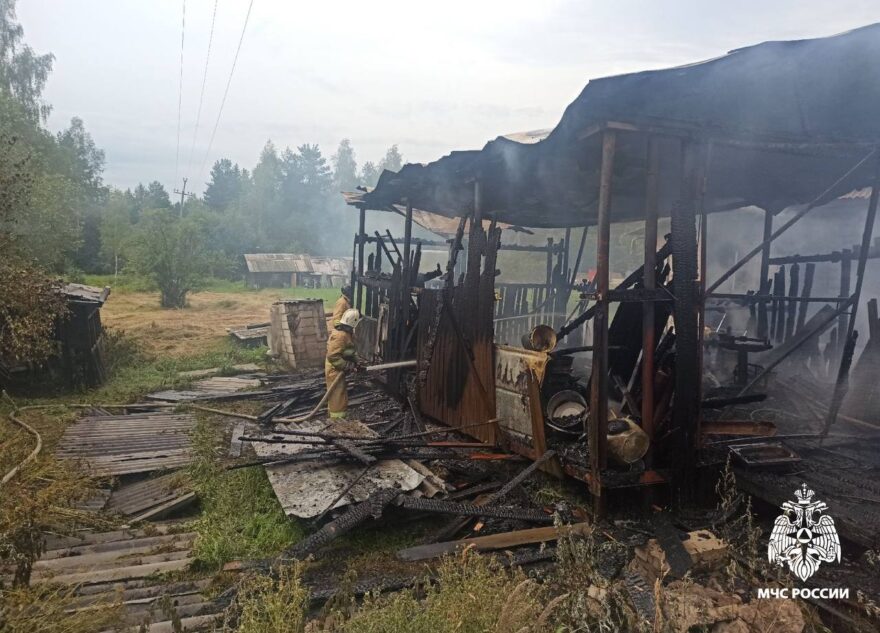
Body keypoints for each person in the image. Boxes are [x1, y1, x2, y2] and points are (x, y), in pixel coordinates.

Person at [325, 308, 364, 418]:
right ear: (353, 322)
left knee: (339, 393)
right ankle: (337, 420)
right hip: (334, 368)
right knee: (337, 395)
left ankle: (337, 416)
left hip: (338, 366)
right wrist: (348, 366)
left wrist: (356, 361)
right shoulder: (340, 335)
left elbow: (348, 351)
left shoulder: (346, 333)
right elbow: (333, 356)